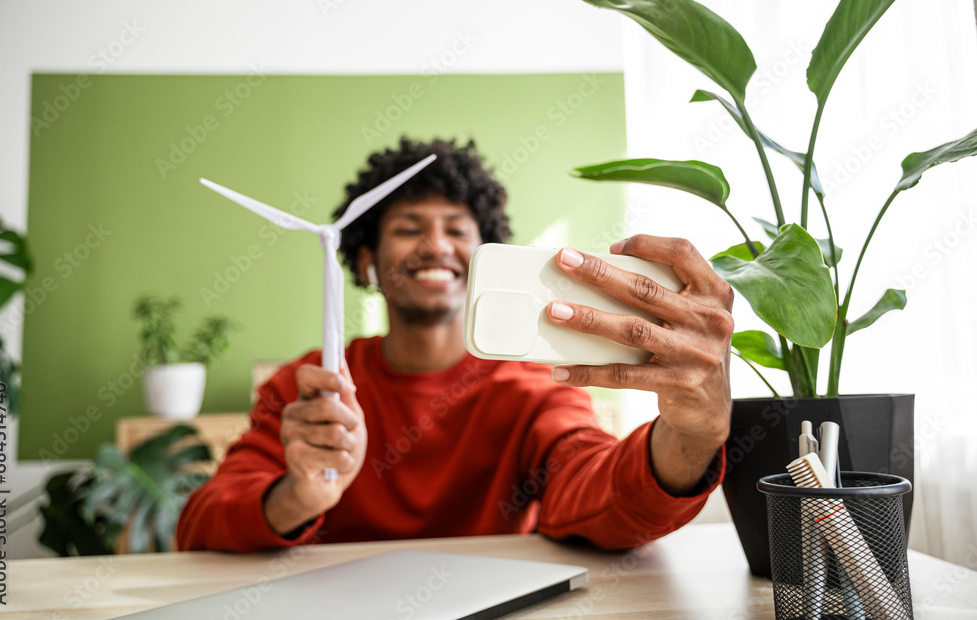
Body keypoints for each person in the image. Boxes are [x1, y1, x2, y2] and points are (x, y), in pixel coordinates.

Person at [176, 137, 734, 552]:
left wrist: (691, 433)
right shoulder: (311, 387)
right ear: (367, 261)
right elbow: (200, 525)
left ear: (484, 257)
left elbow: (593, 492)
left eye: (457, 229)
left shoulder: (532, 386)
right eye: (408, 228)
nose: (435, 245)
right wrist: (297, 497)